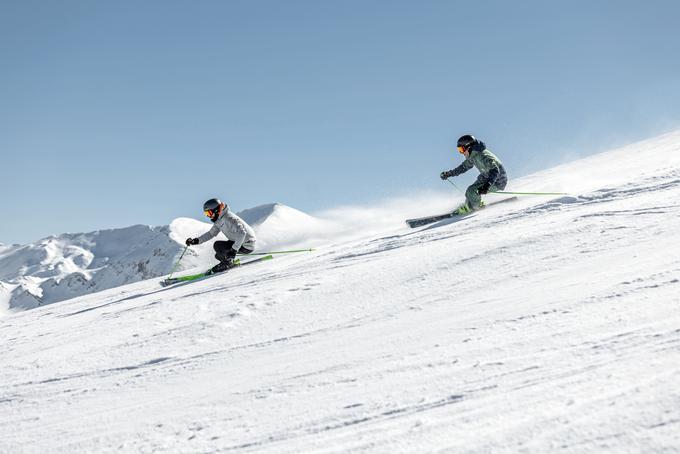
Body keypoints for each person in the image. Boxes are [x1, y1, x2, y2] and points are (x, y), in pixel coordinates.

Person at [440, 134, 508, 215]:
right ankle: (468, 206)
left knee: (471, 191)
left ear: (468, 147)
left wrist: (487, 185)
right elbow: (463, 167)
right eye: (459, 150)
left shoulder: (483, 155)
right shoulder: (473, 155)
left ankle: (475, 207)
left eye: (461, 149)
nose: (461, 153)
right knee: (469, 192)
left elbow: (495, 171)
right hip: (485, 176)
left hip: (498, 181)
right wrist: (449, 174)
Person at [185, 198, 257, 273]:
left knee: (218, 246)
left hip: (247, 244)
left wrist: (233, 250)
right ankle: (227, 262)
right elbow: (211, 233)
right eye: (206, 214)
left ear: (216, 210)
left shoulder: (228, 218)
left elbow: (242, 233)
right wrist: (196, 241)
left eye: (209, 213)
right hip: (240, 242)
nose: (208, 216)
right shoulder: (220, 220)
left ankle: (227, 264)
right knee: (218, 255)